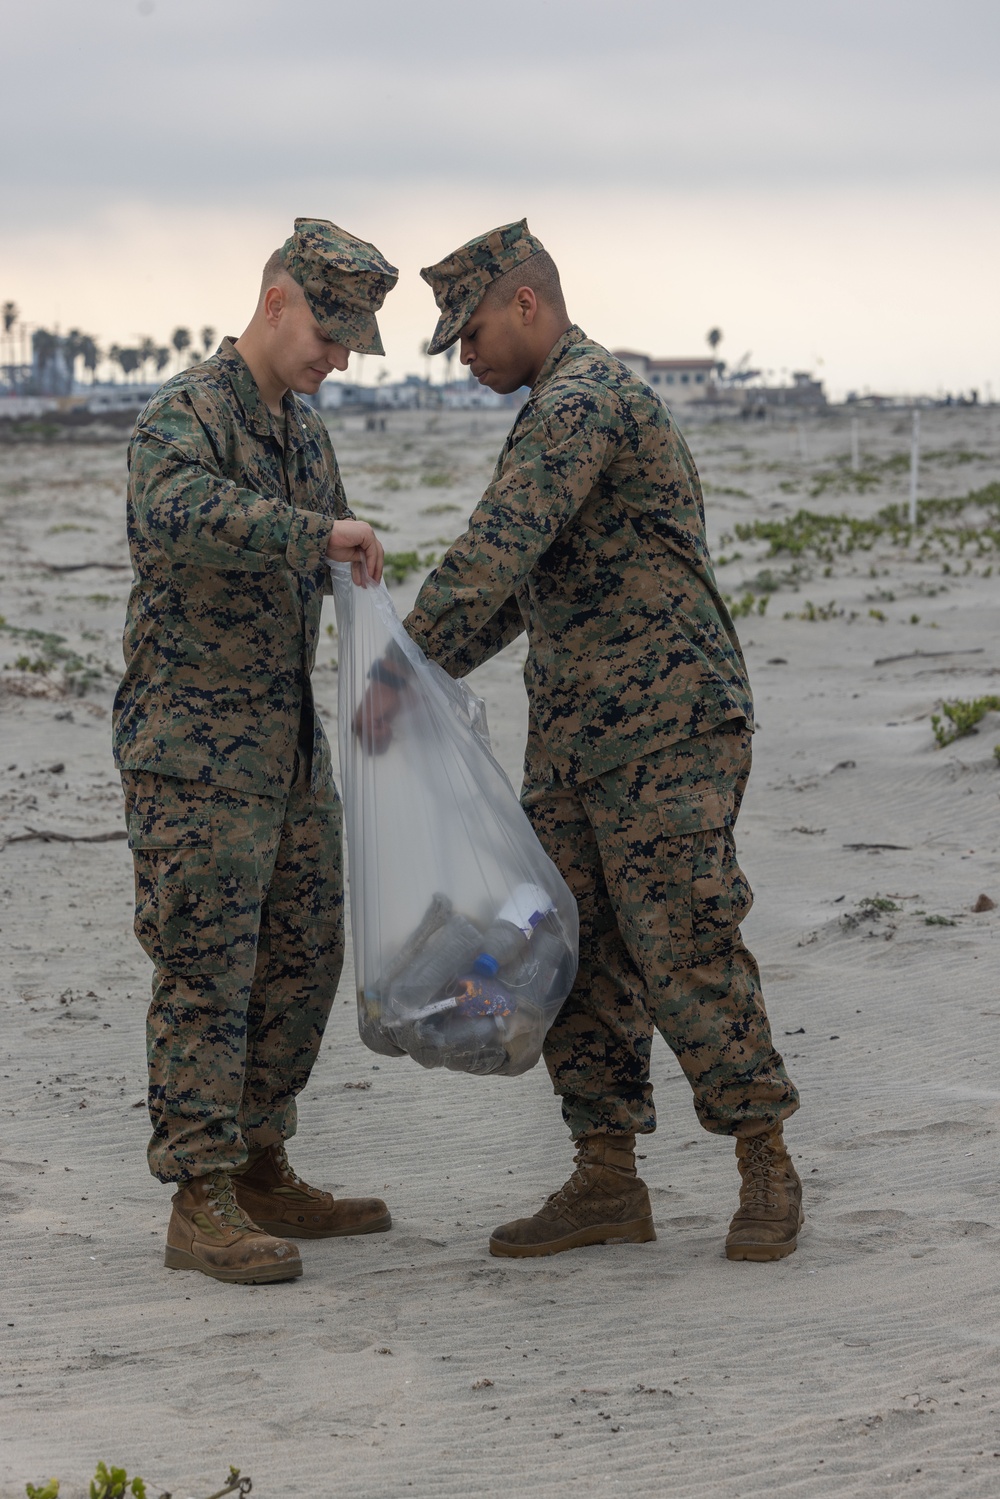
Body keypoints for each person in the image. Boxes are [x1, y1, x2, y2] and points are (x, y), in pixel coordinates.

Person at [371, 218, 801, 1262]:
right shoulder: (553, 406)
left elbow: (502, 542)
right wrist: (423, 674)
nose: (464, 356)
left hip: (664, 724)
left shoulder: (581, 400)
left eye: (469, 334)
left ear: (529, 304)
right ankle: (606, 1177)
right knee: (569, 950)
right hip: (578, 735)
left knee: (683, 937)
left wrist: (400, 663)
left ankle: (765, 1162)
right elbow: (526, 587)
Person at [113, 218, 396, 1284]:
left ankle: (262, 1158)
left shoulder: (304, 438)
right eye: (327, 332)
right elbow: (178, 512)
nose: (334, 358)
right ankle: (199, 1195)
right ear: (276, 299)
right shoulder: (181, 418)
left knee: (304, 950)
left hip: (284, 748)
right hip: (192, 753)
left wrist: (385, 676)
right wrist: (312, 533)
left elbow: (332, 564)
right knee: (205, 970)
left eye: (349, 346)